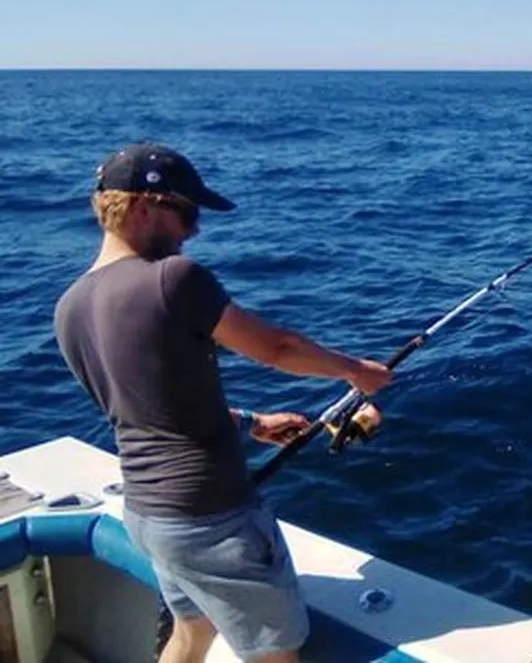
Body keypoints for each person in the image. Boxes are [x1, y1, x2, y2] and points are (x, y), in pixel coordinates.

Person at [53, 142, 392, 663]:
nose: (193, 231)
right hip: (212, 520)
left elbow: (147, 411)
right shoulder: (172, 279)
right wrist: (356, 371)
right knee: (276, 656)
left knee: (192, 633)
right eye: (186, 213)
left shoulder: (69, 307)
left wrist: (252, 422)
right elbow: (277, 348)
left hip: (149, 518)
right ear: (143, 206)